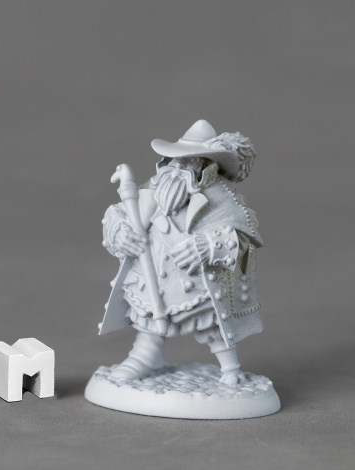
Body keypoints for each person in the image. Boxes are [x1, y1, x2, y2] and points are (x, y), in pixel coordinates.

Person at [100, 120, 264, 385]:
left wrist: (207, 245)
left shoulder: (221, 198)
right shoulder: (154, 187)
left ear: (206, 166)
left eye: (188, 161)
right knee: (149, 321)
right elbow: (119, 213)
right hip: (152, 276)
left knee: (212, 324)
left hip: (196, 281)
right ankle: (145, 356)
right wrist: (121, 231)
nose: (178, 166)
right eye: (175, 158)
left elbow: (244, 233)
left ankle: (230, 368)